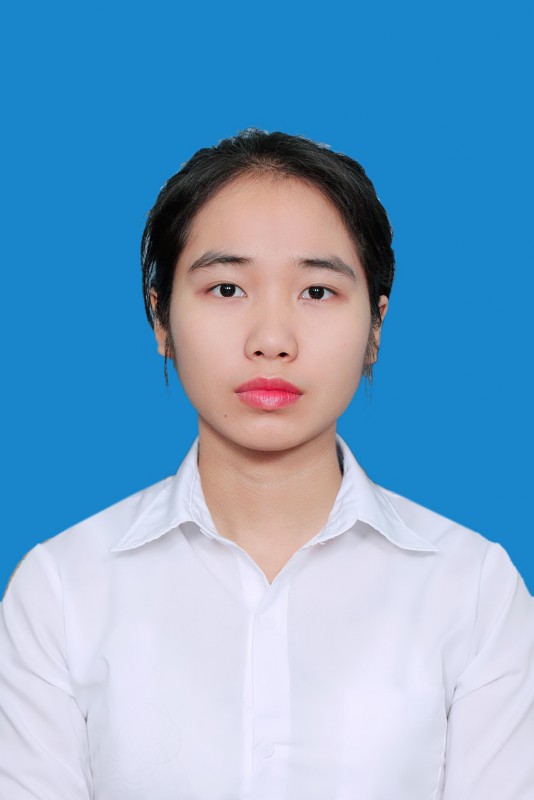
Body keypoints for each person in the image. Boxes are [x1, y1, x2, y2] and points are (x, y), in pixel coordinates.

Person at [0, 128, 533, 799]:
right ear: (161, 318)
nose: (272, 340)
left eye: (317, 292)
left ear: (376, 326)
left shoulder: (475, 592)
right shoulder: (60, 591)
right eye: (227, 289)